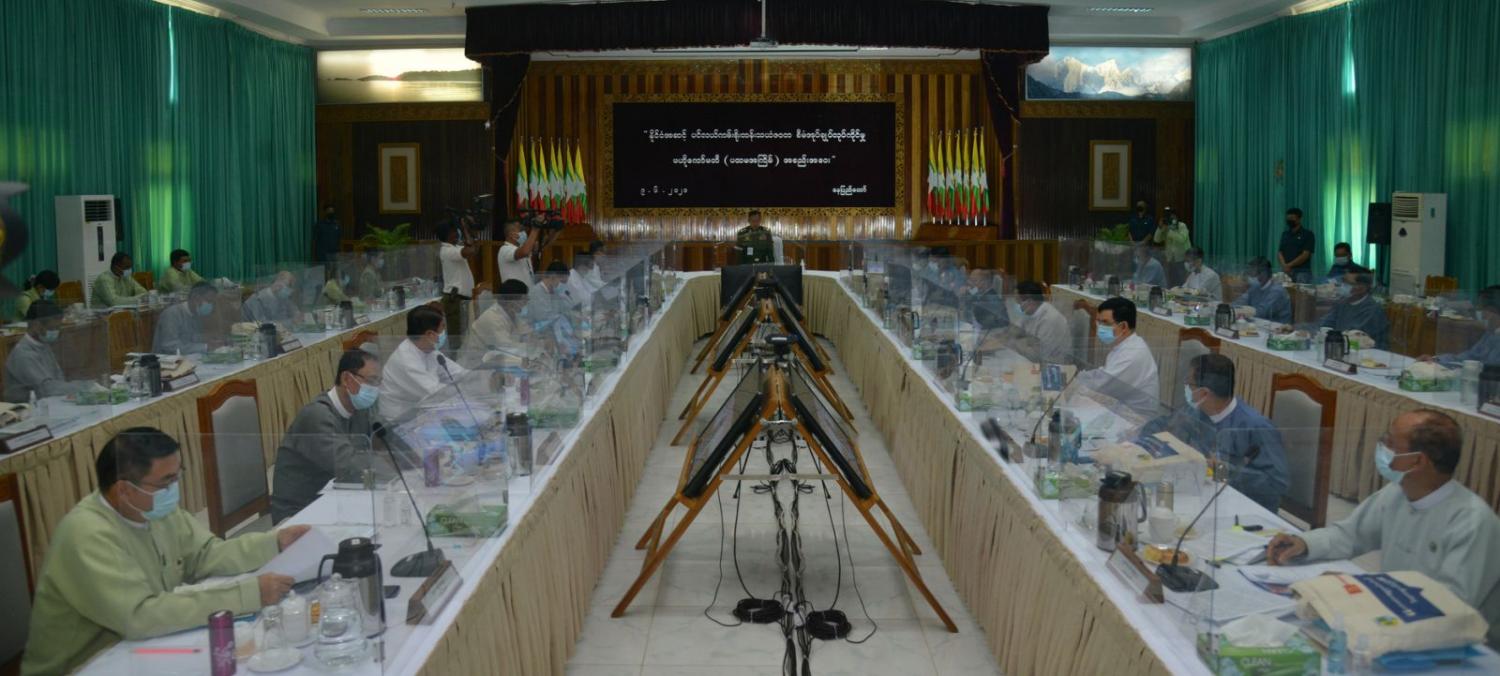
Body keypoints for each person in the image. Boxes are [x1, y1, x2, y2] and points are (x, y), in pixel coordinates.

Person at [21, 427, 310, 674]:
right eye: (165, 482)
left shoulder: (152, 508)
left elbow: (206, 554)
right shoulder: (87, 533)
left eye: (176, 476)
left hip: (142, 646)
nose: (174, 489)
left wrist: (274, 543)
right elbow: (140, 616)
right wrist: (249, 594)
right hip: (86, 663)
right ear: (123, 490)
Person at [1265, 410, 1500, 645]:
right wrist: (1304, 544)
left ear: (1418, 461)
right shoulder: (1397, 493)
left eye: (1391, 443)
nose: (1382, 449)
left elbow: (1450, 607)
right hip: (1393, 620)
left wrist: (1364, 588)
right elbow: (1349, 535)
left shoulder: (1471, 522)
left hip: (1456, 644)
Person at [1157, 354, 1289, 512]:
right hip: (1202, 496)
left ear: (1204, 393)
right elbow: (1164, 425)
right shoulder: (1196, 411)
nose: (1185, 386)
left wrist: (1222, 470)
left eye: (1189, 384)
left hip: (1243, 509)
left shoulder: (1256, 427)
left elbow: (1277, 484)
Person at [271, 350, 383, 523]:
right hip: (300, 513)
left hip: (340, 499)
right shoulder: (316, 416)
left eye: (379, 382)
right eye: (371, 381)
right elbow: (350, 467)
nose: (376, 388)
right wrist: (390, 462)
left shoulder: (360, 409)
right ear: (347, 379)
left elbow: (380, 440)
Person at [379, 305, 467, 421]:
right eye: (442, 328)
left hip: (421, 411)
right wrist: (464, 390)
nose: (444, 332)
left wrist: (478, 378)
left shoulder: (429, 350)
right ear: (430, 334)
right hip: (399, 419)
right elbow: (436, 393)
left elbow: (458, 373)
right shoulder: (407, 360)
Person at [1079, 297, 1160, 417]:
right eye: (1098, 321)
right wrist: (1079, 376)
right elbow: (1103, 374)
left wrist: (1074, 385)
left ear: (1123, 326)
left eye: (1105, 323)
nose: (1099, 327)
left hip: (1134, 419)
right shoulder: (1127, 344)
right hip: (1120, 409)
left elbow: (1101, 387)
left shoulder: (1131, 355)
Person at [3, 301, 88, 403]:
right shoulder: (23, 354)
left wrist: (83, 385)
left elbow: (58, 378)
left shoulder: (43, 344)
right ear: (36, 325)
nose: (56, 332)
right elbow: (47, 390)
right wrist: (86, 386)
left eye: (58, 328)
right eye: (52, 328)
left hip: (50, 402)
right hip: (28, 408)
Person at [1425, 286, 1500, 367]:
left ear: (1493, 310)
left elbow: (1490, 368)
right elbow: (1470, 355)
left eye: (1483, 308)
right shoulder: (1491, 333)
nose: (1482, 316)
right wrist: (1436, 360)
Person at [465, 279, 533, 367]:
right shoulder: (492, 318)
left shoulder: (510, 312)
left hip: (500, 360)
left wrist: (537, 341)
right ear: (512, 301)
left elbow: (527, 332)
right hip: (480, 365)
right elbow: (507, 347)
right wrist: (532, 347)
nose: (526, 302)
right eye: (524, 299)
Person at [1319, 266, 1389, 348]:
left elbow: (1353, 336)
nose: (1342, 285)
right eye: (1343, 281)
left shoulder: (1372, 310)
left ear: (1362, 287)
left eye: (1348, 283)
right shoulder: (1342, 303)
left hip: (1369, 352)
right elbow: (1327, 322)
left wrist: (1331, 336)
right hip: (1344, 347)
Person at [1005, 280, 1071, 365]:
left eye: (1018, 302)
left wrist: (1016, 343)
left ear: (1030, 301)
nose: (1017, 305)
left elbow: (1038, 355)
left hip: (1052, 364)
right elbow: (1015, 331)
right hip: (1033, 359)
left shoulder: (1049, 318)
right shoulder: (1029, 311)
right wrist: (1007, 337)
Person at [151, 283, 217, 355]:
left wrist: (207, 338)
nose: (211, 305)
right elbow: (170, 346)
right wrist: (205, 347)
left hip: (188, 358)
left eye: (213, 303)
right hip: (166, 359)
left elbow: (191, 337)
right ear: (196, 297)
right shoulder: (172, 314)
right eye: (209, 301)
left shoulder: (196, 314)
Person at [1232, 257, 1293, 324]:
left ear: (1263, 274)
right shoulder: (1255, 287)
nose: (1250, 276)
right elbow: (1241, 301)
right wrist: (1231, 308)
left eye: (1252, 273)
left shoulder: (1277, 291)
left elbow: (1261, 312)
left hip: (1278, 327)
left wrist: (1242, 311)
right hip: (1259, 323)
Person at [497, 219, 540, 287]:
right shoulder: (505, 249)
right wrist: (535, 229)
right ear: (511, 234)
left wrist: (535, 252)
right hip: (515, 292)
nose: (524, 233)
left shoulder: (520, 248)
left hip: (528, 291)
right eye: (521, 230)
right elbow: (525, 252)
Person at [1154, 207, 1191, 285]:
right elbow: (1156, 240)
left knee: (1182, 282)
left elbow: (1182, 239)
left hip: (1182, 259)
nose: (1172, 220)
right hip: (1170, 260)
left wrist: (1170, 230)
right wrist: (1160, 228)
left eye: (1173, 217)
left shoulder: (1182, 226)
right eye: (1169, 218)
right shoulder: (1166, 227)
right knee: (1170, 283)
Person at [1277, 207, 1315, 283]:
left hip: (1302, 271)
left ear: (1299, 219)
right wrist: (1284, 265)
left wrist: (1289, 265)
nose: (1289, 220)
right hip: (1286, 271)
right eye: (1287, 218)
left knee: (1300, 289)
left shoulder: (1308, 234)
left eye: (1292, 218)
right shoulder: (1285, 234)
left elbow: (1305, 255)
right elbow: (1280, 252)